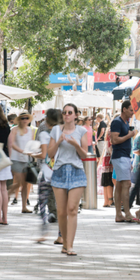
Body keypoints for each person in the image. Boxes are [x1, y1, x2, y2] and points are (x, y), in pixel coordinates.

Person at [47, 103, 88, 256]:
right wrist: (58, 142)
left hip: (76, 171)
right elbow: (50, 154)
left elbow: (84, 155)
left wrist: (75, 144)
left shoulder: (82, 131)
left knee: (72, 209)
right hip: (59, 171)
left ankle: (69, 245)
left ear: (76, 115)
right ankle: (64, 243)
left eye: (70, 112)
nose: (67, 115)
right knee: (62, 211)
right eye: (64, 112)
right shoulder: (56, 130)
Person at [32, 109, 61, 242]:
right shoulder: (61, 133)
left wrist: (32, 154)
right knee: (61, 205)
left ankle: (44, 232)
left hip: (46, 173)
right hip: (59, 172)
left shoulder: (44, 134)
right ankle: (61, 235)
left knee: (42, 204)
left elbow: (44, 155)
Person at [110, 101, 138, 223]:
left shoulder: (125, 122)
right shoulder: (117, 122)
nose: (132, 112)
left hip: (123, 156)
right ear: (124, 109)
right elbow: (114, 140)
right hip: (120, 156)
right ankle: (127, 213)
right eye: (131, 110)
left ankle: (119, 214)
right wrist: (129, 135)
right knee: (126, 184)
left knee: (121, 185)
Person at [8, 112, 34, 213]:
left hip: (26, 159)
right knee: (18, 183)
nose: (24, 120)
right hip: (16, 159)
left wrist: (32, 152)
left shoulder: (30, 130)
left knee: (25, 184)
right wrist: (22, 151)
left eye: (26, 118)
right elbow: (11, 143)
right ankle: (6, 196)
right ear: (19, 119)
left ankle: (24, 206)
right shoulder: (14, 129)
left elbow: (31, 143)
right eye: (22, 118)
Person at [99, 132, 114, 207]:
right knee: (109, 181)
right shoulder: (111, 132)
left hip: (106, 158)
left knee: (105, 181)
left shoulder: (108, 132)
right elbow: (110, 147)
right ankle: (110, 200)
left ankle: (106, 201)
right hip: (109, 159)